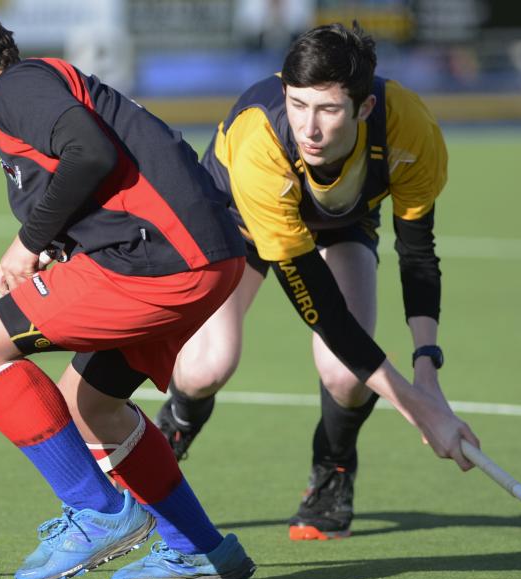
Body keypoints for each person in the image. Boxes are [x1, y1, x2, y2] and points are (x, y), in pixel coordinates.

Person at [0, 1, 255, 579]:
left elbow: (92, 152)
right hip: (201, 258)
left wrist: (26, 245)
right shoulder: (35, 102)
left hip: (162, 262)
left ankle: (100, 513)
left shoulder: (18, 89)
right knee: (92, 406)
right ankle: (202, 552)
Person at [157, 22, 481, 540]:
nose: (309, 128)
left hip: (341, 222)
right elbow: (319, 305)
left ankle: (332, 469)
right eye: (298, 104)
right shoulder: (259, 135)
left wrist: (428, 370)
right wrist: (416, 406)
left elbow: (418, 253)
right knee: (207, 367)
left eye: (328, 110)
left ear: (363, 109)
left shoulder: (408, 128)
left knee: (347, 376)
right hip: (234, 220)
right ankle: (171, 431)